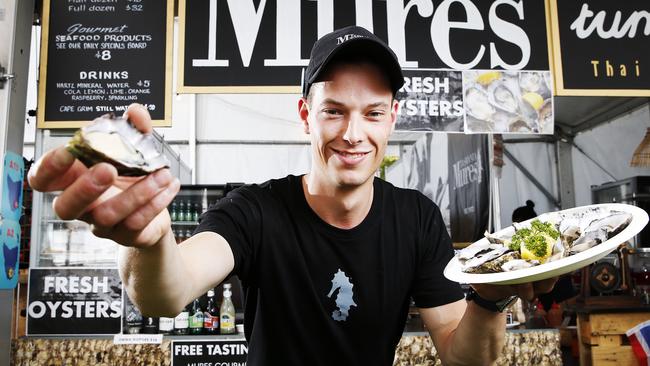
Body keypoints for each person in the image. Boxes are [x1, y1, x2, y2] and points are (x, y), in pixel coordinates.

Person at [28, 26, 556, 365]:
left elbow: (463, 359)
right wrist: (150, 235)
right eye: (334, 111)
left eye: (372, 113)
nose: (353, 134)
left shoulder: (416, 219)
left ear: (392, 117)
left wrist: (492, 293)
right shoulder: (255, 211)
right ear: (306, 115)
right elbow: (165, 293)